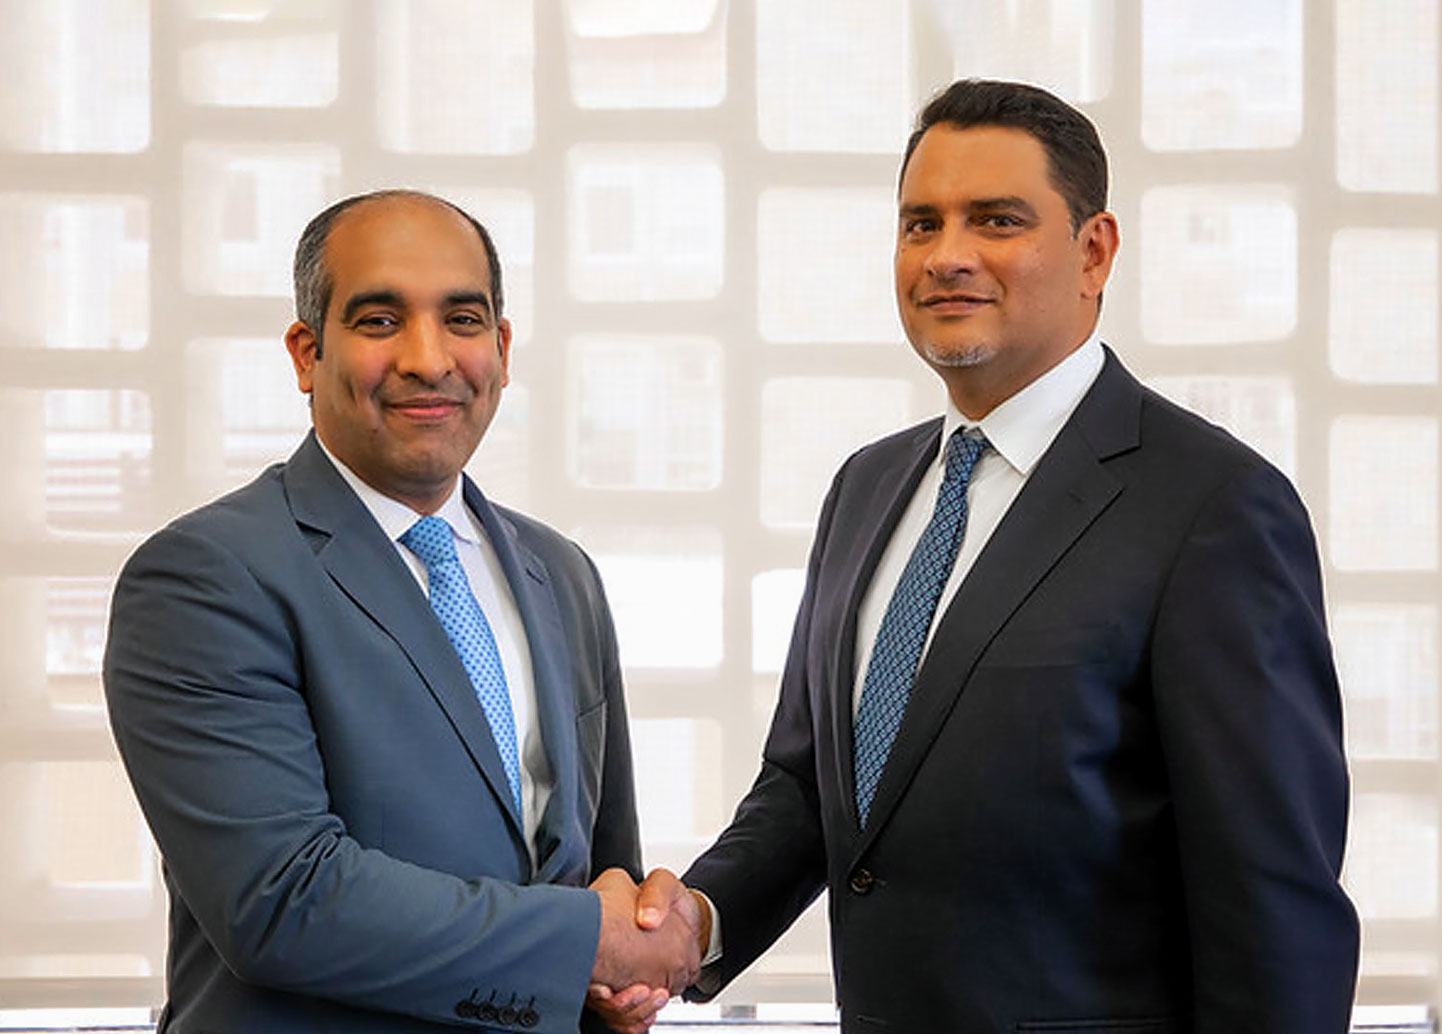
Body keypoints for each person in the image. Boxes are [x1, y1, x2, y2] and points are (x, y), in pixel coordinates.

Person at [641, 78, 1360, 1031]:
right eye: (920, 224)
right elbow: (816, 790)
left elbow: (1273, 907)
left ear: (1094, 252)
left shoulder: (1215, 507)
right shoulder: (867, 488)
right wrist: (693, 921)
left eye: (996, 220)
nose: (948, 257)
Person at [104, 190, 699, 1034]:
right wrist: (585, 946)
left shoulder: (561, 575)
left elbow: (599, 871)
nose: (429, 358)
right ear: (307, 354)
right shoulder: (205, 577)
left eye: (462, 319)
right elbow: (283, 901)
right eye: (381, 320)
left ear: (500, 347)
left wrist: (630, 953)